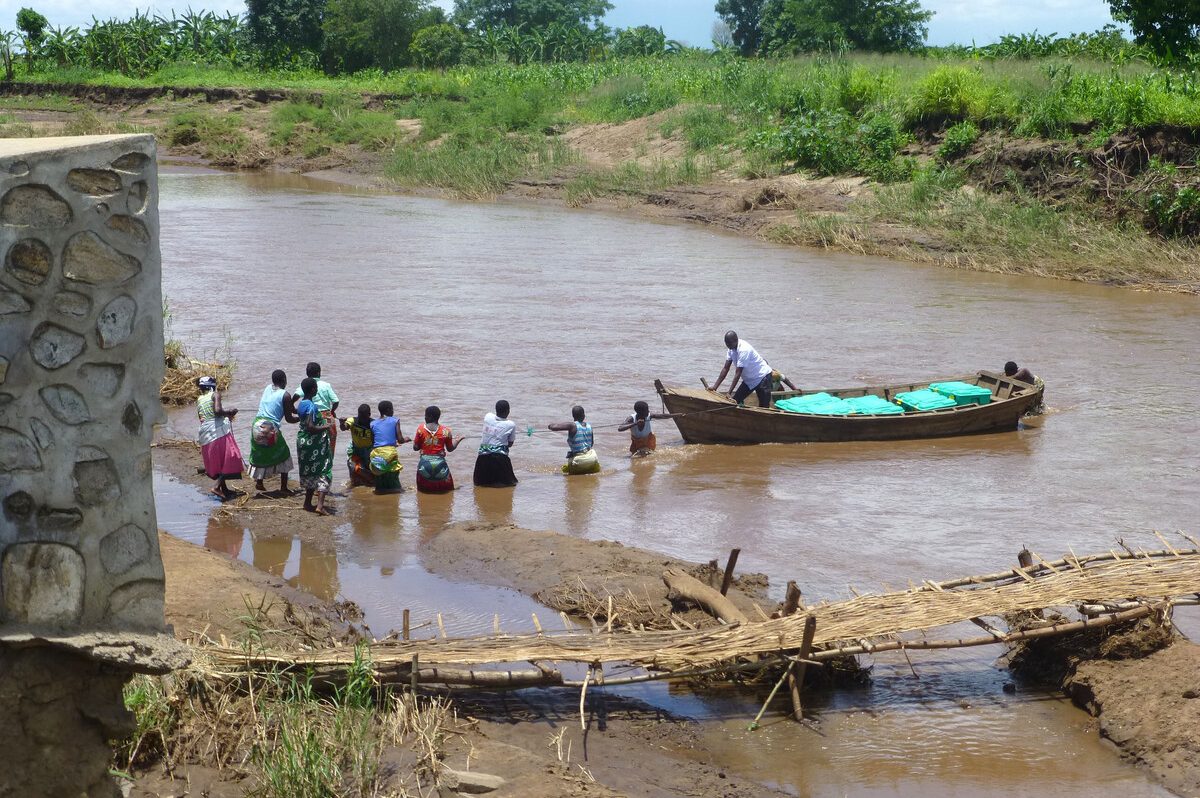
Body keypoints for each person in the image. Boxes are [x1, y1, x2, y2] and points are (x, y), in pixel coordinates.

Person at [196, 375, 245, 500]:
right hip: (217, 432)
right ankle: (217, 487)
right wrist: (229, 412)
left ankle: (225, 490)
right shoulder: (215, 394)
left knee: (219, 461)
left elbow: (202, 418)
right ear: (212, 386)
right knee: (231, 457)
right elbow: (218, 411)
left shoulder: (200, 399)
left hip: (206, 433)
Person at [249, 369, 296, 495]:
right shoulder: (285, 395)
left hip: (256, 425)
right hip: (269, 428)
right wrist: (302, 418)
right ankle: (284, 487)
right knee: (284, 454)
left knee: (260, 453)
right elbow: (289, 418)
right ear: (284, 381)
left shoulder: (268, 388)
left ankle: (259, 482)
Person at [294, 376, 334, 515]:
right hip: (314, 443)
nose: (317, 389)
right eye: (316, 388)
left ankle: (307, 502)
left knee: (310, 471)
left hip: (303, 441)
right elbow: (311, 427)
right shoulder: (311, 406)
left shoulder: (301, 404)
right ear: (313, 389)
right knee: (324, 469)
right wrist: (326, 426)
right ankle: (320, 506)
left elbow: (304, 424)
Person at [712, 330, 777, 409]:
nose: (728, 345)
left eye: (729, 343)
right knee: (734, 401)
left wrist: (729, 392)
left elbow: (738, 373)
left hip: (762, 377)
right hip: (749, 380)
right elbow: (726, 368)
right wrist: (715, 387)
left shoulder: (744, 349)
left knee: (764, 407)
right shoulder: (731, 349)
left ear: (736, 340)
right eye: (726, 343)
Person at [413, 405, 461, 493]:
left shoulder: (420, 429)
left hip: (424, 465)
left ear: (429, 417)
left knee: (422, 491)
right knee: (448, 490)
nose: (424, 417)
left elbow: (415, 448)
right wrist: (458, 440)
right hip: (440, 464)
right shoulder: (446, 431)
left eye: (425, 415)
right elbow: (450, 448)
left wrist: (419, 443)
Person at [473, 400, 518, 488]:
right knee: (510, 484)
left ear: (496, 410)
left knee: (481, 485)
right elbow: (510, 444)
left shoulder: (488, 416)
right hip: (500, 459)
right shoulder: (511, 424)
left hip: (483, 458)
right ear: (508, 411)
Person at [369, 400, 410, 494]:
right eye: (392, 409)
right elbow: (400, 439)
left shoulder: (373, 423)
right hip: (389, 453)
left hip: (376, 453)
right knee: (393, 475)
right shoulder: (395, 420)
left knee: (380, 476)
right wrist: (406, 439)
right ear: (388, 410)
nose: (393, 411)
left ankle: (380, 491)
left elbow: (373, 442)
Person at [549, 405, 600, 475]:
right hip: (592, 459)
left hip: (579, 462)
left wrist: (550, 426)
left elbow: (554, 427)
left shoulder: (572, 425)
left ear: (573, 416)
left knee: (564, 471)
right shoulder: (589, 426)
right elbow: (591, 444)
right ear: (584, 415)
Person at [305, 361, 340, 454]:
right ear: (319, 373)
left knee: (314, 445)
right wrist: (332, 411)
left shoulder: (305, 384)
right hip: (327, 416)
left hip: (312, 417)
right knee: (330, 445)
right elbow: (336, 401)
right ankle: (329, 464)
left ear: (307, 373)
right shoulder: (326, 385)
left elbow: (296, 396)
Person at [340, 403, 375, 488]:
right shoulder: (353, 420)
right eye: (360, 416)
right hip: (356, 449)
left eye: (364, 416)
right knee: (353, 467)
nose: (362, 419)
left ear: (369, 415)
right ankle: (354, 483)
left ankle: (372, 483)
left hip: (369, 450)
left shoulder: (373, 423)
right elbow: (344, 428)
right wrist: (342, 423)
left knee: (370, 469)